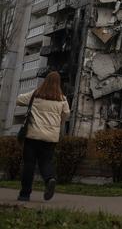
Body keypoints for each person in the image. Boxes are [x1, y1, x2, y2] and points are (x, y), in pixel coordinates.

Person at [16, 71, 70, 202]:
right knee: (46, 161)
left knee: (29, 164)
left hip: (32, 135)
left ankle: (25, 194)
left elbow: (18, 100)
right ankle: (49, 179)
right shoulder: (62, 99)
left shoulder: (36, 94)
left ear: (45, 81)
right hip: (50, 138)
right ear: (59, 83)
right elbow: (66, 115)